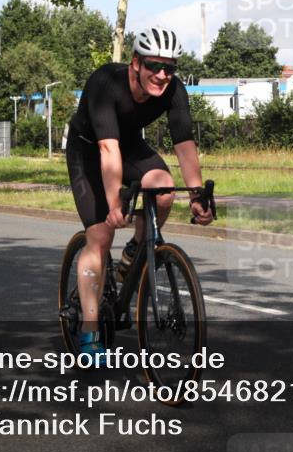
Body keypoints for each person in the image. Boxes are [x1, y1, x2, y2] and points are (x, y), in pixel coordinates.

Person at [65, 27, 213, 364]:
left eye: (169, 68)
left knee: (162, 187)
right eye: (154, 66)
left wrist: (196, 195)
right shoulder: (105, 83)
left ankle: (135, 249)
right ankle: (89, 333)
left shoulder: (174, 90)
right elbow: (107, 148)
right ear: (136, 63)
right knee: (100, 237)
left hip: (128, 144)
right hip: (89, 151)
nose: (162, 75)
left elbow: (185, 144)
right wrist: (116, 201)